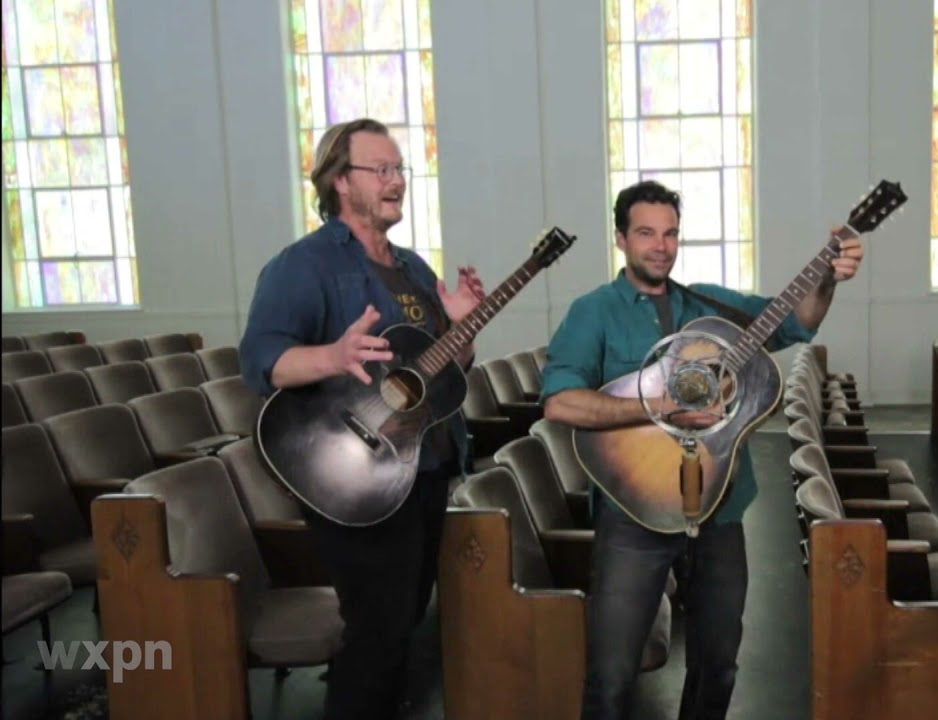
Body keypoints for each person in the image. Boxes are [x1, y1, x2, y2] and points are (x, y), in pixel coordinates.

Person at [540, 179, 864, 719]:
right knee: (613, 674)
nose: (660, 246)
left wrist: (828, 277)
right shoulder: (593, 311)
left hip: (719, 507)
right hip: (632, 513)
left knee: (719, 665)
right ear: (621, 239)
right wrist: (657, 406)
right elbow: (561, 404)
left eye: (670, 234)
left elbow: (794, 321)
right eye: (646, 233)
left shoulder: (708, 305)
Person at [239, 118, 486, 719]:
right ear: (340, 182)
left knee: (403, 627)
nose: (396, 180)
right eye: (381, 169)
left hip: (421, 466)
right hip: (353, 473)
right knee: (378, 630)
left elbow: (442, 373)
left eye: (400, 169)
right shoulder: (305, 264)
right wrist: (332, 355)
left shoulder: (413, 268)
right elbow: (259, 359)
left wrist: (461, 327)